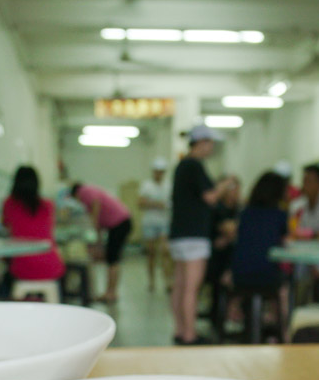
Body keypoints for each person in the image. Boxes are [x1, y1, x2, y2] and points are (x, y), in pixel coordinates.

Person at [168, 124, 222, 345]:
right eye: (210, 143)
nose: (212, 148)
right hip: (193, 235)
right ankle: (190, 334)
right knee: (191, 287)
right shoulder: (194, 166)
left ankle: (180, 329)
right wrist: (225, 185)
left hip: (179, 234)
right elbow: (210, 197)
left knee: (180, 285)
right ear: (202, 142)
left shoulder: (181, 166)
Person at [230, 171, 292, 341]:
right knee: (284, 284)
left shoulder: (245, 213)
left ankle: (250, 323)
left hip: (239, 275)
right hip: (266, 276)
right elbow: (286, 241)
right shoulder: (280, 215)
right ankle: (282, 333)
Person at [1, 166, 65, 291]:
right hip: (51, 266)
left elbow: (5, 225)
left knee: (5, 277)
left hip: (23, 268)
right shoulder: (48, 205)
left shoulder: (9, 204)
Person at [68, 182, 133, 305]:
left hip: (120, 223)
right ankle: (110, 291)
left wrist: (94, 225)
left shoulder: (84, 191)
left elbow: (96, 205)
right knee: (111, 258)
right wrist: (98, 239)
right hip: (118, 224)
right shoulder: (88, 192)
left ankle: (111, 293)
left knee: (113, 259)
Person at [137, 158, 173, 292]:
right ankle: (151, 281)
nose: (159, 174)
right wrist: (158, 204)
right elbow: (140, 203)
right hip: (150, 223)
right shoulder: (146, 185)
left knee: (165, 252)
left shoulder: (169, 185)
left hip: (164, 222)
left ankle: (168, 281)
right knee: (151, 253)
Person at [206, 174, 241, 290]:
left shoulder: (239, 209)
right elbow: (229, 229)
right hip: (215, 255)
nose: (235, 192)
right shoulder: (216, 209)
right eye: (231, 188)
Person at [290, 163, 319, 241]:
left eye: (310, 181)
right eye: (304, 181)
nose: (305, 185)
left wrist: (305, 234)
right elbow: (293, 230)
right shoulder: (296, 205)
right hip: (300, 247)